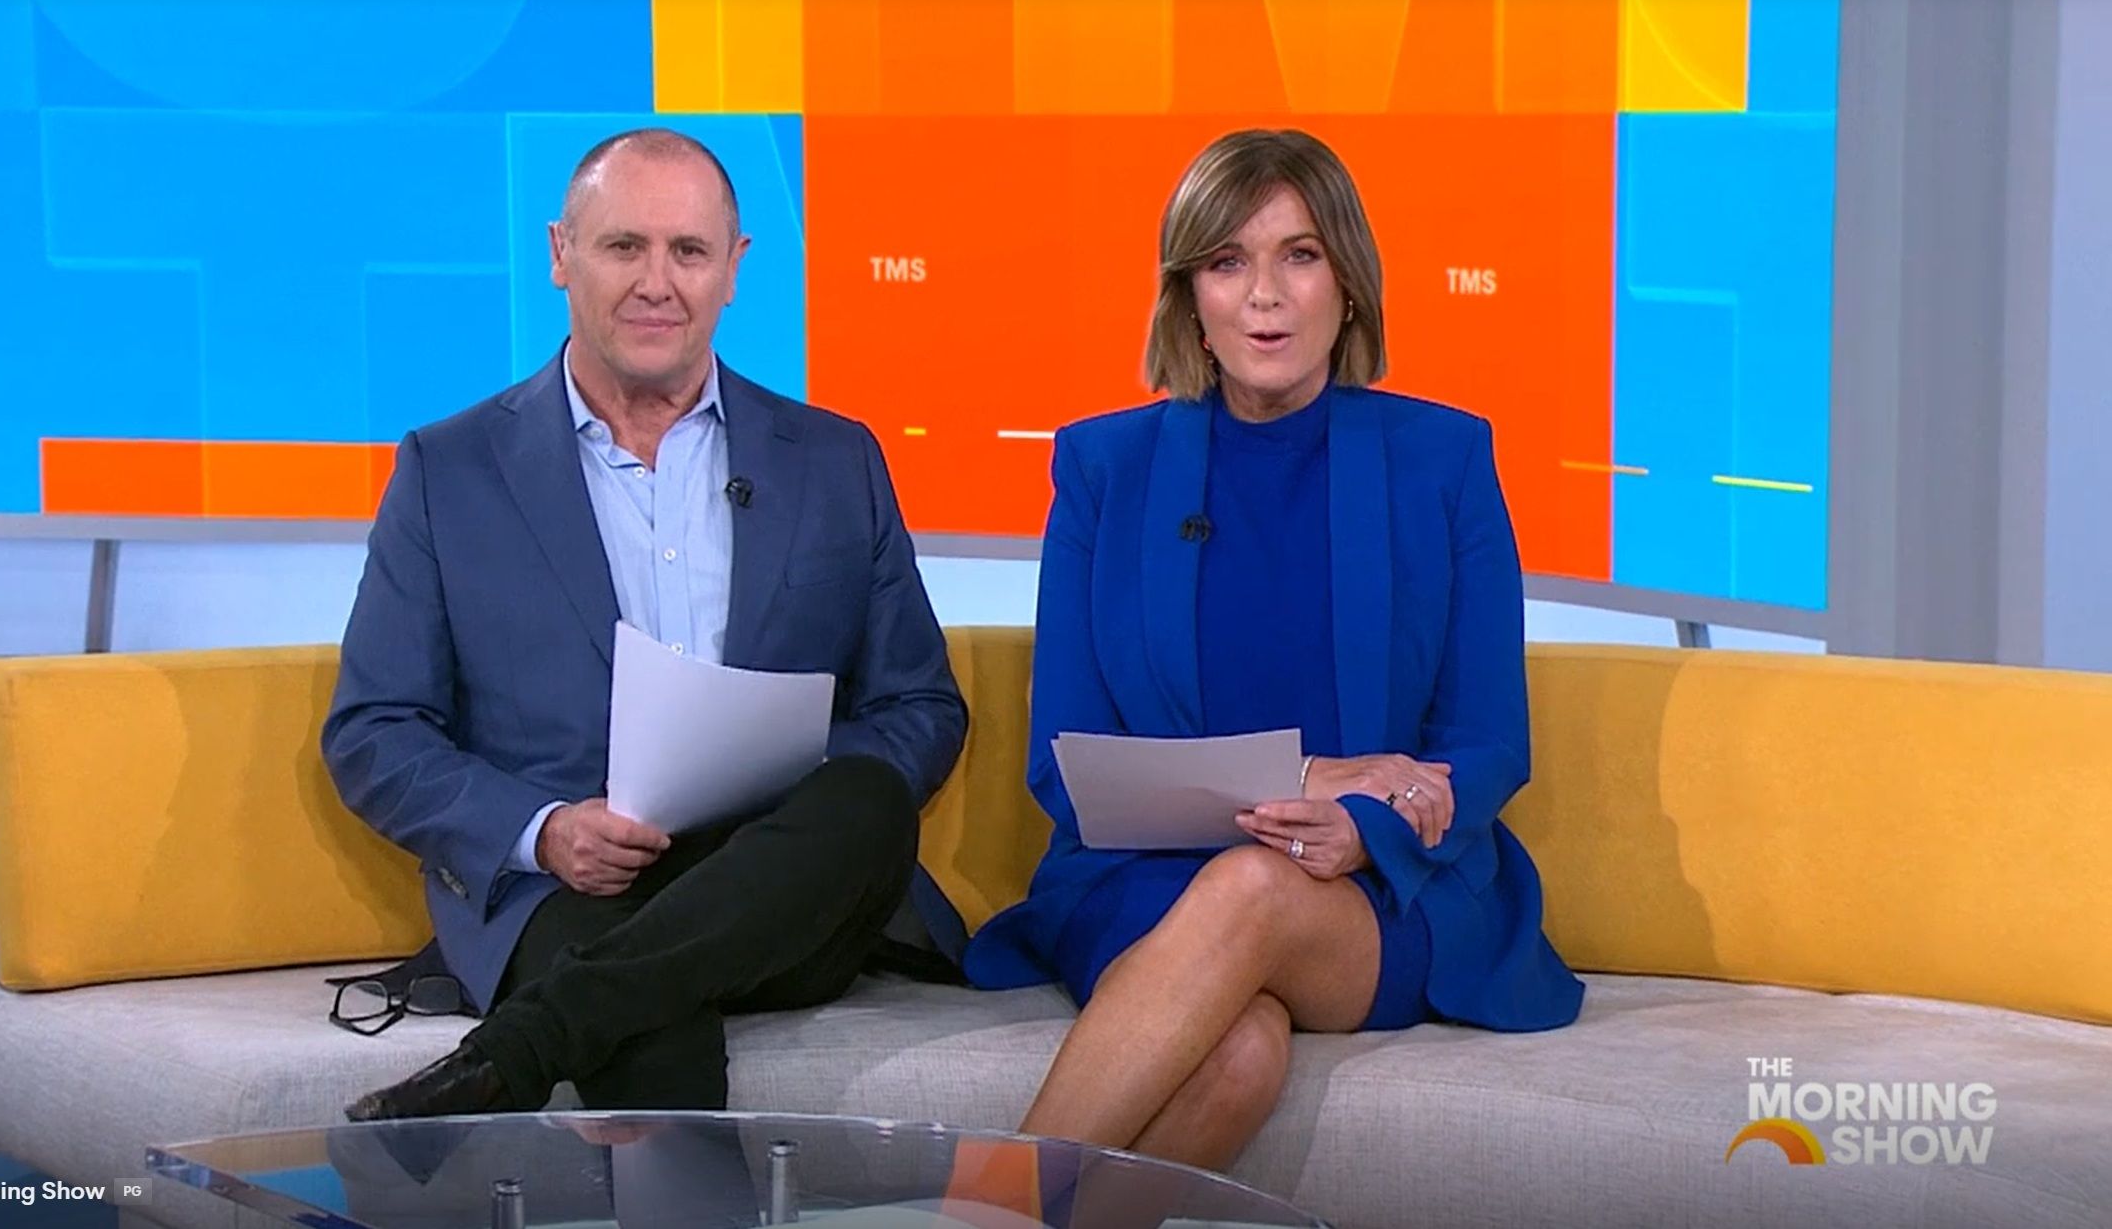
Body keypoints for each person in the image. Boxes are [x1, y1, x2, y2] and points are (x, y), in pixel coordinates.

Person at [962, 128, 1584, 1170]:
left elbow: (1485, 743)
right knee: (1239, 1055)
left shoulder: (1442, 459)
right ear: (1188, 298)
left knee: (1253, 887)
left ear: (1347, 284)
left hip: (1378, 887)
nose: (1264, 295)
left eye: (1299, 255)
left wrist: (1361, 827)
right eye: (1226, 261)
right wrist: (1302, 779)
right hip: (1144, 877)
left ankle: (976, 1205)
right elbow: (1068, 766)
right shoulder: (1104, 468)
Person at [326, 128, 969, 1120]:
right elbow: (373, 730)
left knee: (867, 798)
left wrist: (783, 778)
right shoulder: (449, 472)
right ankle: (582, 1049)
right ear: (561, 254)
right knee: (645, 1009)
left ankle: (514, 1050)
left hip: (785, 883)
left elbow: (921, 707)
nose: (656, 283)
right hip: (571, 893)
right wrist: (545, 832)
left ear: (734, 269)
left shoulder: (833, 460)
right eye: (624, 246)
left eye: (688, 251)